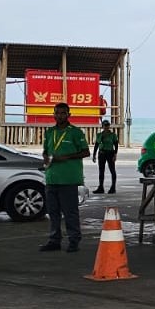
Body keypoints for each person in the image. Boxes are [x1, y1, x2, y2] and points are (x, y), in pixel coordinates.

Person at [40, 102, 90, 253]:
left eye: (63, 113)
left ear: (69, 115)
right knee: (53, 212)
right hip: (52, 178)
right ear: (53, 114)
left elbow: (85, 152)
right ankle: (54, 240)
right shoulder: (49, 132)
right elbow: (45, 151)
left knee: (70, 213)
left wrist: (66, 157)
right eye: (57, 113)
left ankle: (74, 241)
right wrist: (46, 159)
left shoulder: (75, 132)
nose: (60, 116)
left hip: (68, 179)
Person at [93, 119, 119, 194]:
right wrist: (94, 155)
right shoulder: (99, 135)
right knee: (101, 171)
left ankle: (113, 187)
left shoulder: (113, 135)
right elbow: (96, 145)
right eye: (105, 125)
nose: (106, 127)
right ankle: (101, 187)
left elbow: (116, 145)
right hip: (101, 153)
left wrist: (115, 154)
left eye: (107, 125)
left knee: (112, 170)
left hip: (110, 153)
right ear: (102, 126)